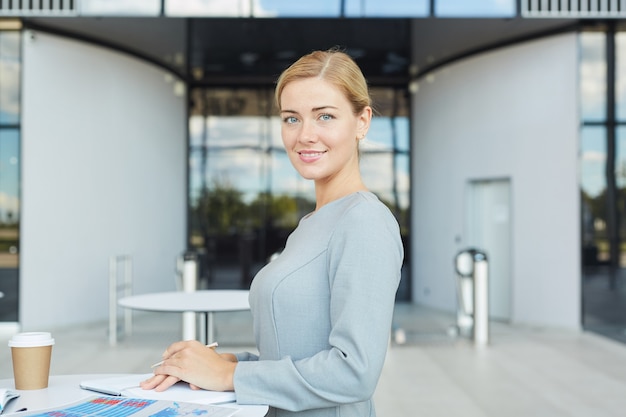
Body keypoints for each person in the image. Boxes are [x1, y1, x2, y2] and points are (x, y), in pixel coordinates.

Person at [141, 48, 404, 417]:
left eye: (325, 116)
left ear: (362, 121)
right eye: (291, 118)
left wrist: (232, 375)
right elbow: (295, 352)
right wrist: (227, 363)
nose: (305, 135)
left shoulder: (365, 222)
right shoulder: (311, 225)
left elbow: (354, 373)